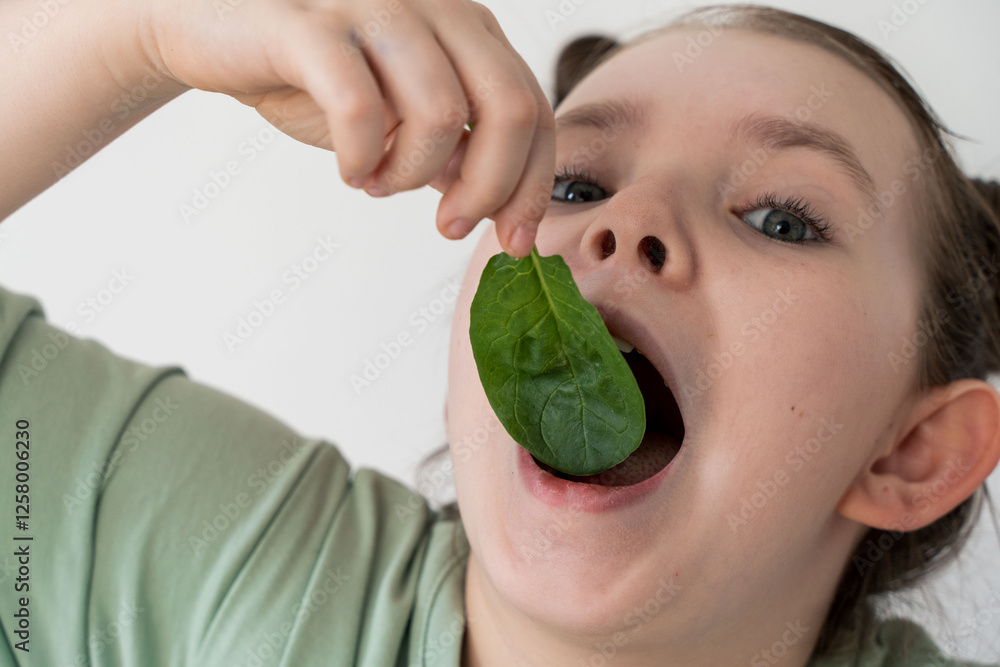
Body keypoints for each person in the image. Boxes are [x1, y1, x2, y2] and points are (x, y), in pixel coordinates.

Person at [1, 1, 998, 666]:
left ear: (912, 451)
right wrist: (129, 32)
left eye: (781, 217)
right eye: (574, 182)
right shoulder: (248, 568)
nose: (627, 219)